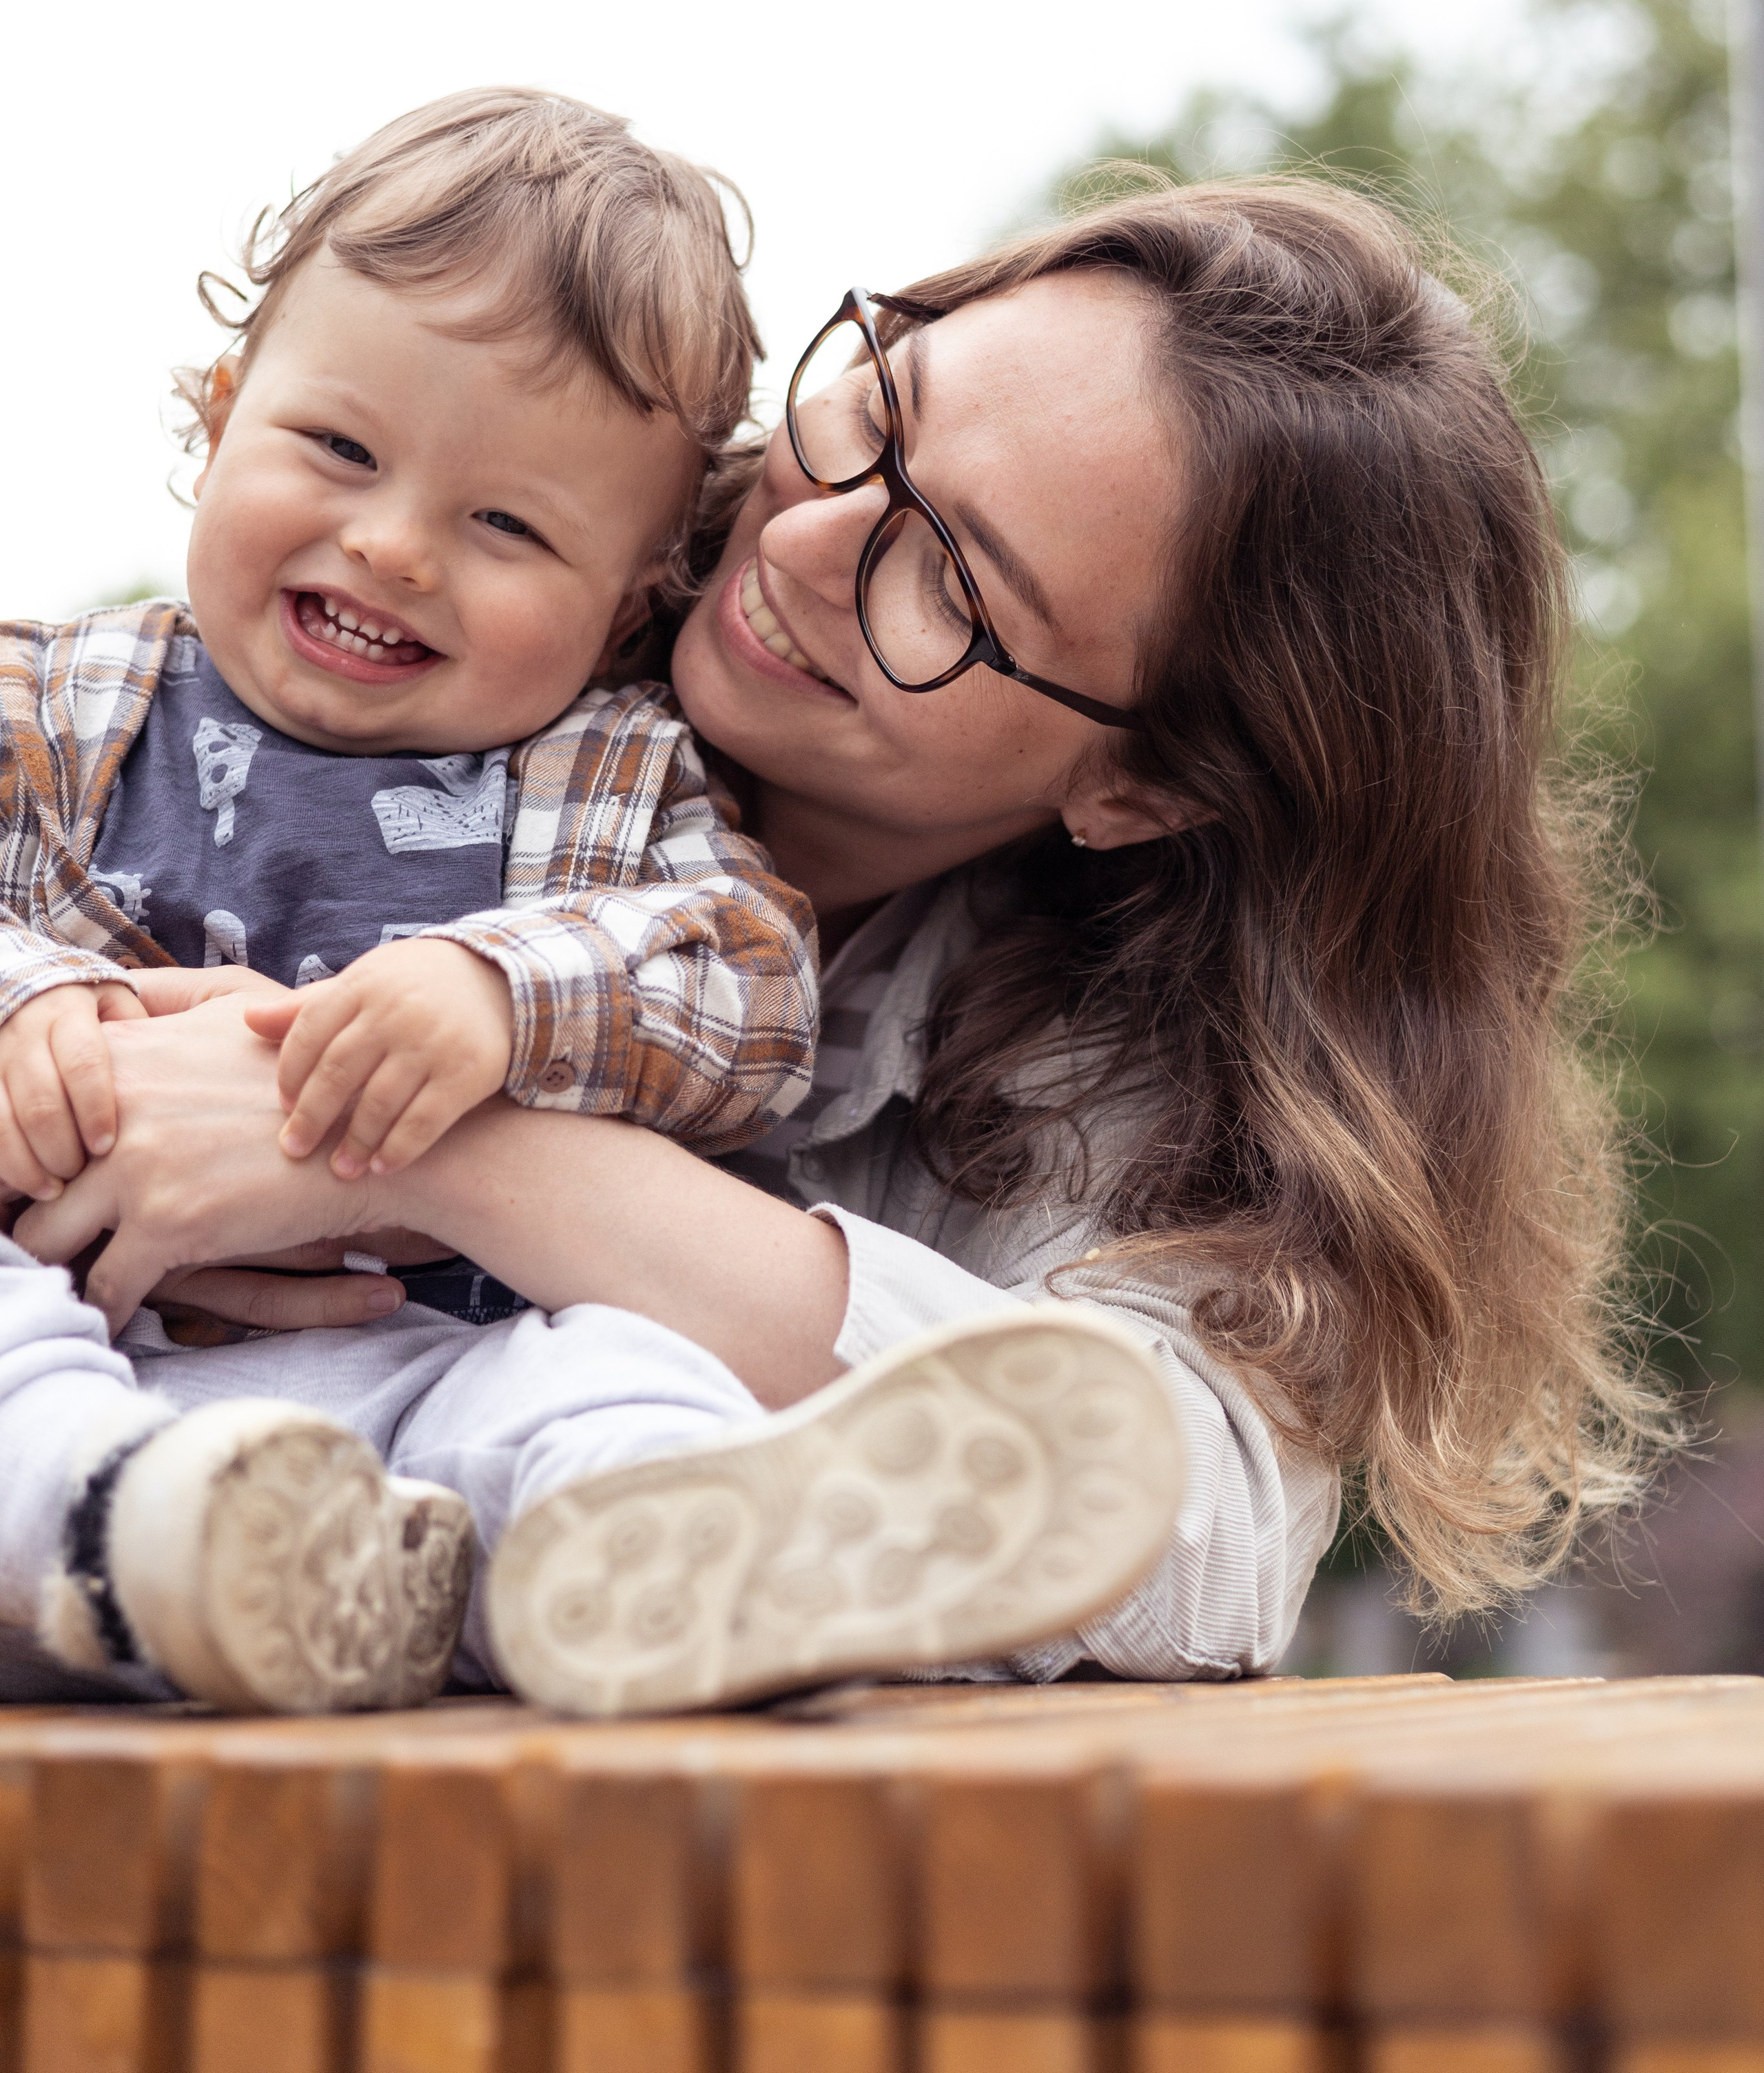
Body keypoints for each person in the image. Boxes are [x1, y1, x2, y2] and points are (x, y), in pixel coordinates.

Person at [6, 177, 1670, 1714]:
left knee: (590, 1408)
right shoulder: (439, 619)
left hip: (512, 1724)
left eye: (952, 584)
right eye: (874, 412)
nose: (799, 547)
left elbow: (1191, 1513)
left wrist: (422, 1151)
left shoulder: (1103, 1054)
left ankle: (643, 1562)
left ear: (1145, 781)